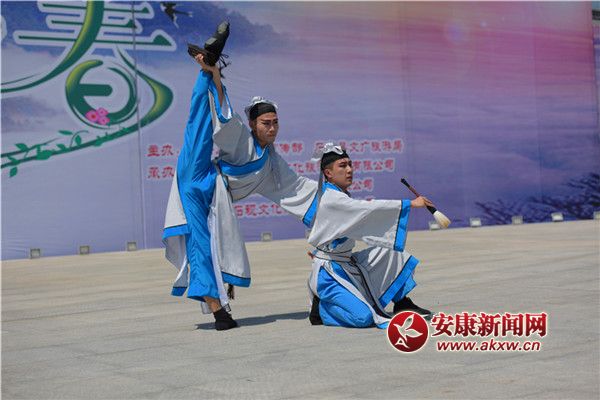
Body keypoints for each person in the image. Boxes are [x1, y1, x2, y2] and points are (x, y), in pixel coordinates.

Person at [163, 22, 318, 331]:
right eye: (265, 123)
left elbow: (299, 189)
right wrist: (215, 75)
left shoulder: (273, 163)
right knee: (198, 124)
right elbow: (224, 116)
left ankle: (219, 311)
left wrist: (334, 201)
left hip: (211, 200)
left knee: (201, 246)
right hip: (200, 176)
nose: (271, 128)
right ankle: (208, 67)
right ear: (253, 124)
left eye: (275, 122)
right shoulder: (243, 140)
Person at [306, 143, 434, 329]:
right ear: (328, 173)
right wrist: (409, 204)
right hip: (330, 274)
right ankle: (322, 310)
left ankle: (401, 302)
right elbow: (367, 208)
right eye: (342, 166)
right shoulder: (333, 199)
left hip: (346, 262)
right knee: (364, 318)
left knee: (393, 253)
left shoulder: (337, 194)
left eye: (350, 164)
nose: (349, 170)